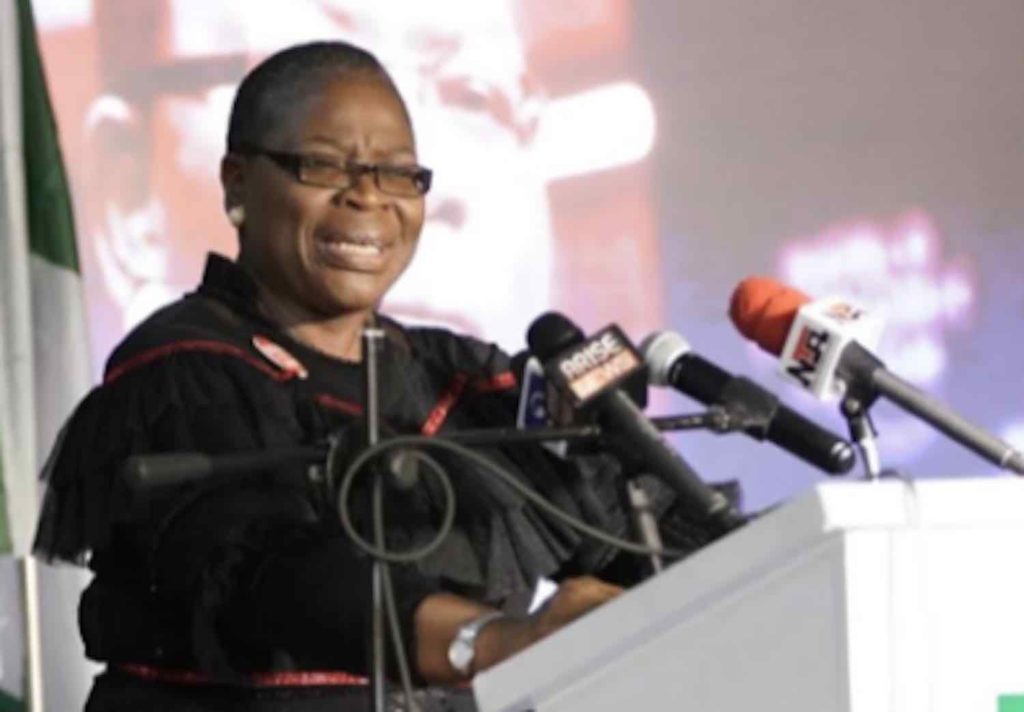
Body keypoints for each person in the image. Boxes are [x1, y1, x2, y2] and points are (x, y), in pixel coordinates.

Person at [33, 41, 721, 711]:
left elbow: (651, 538)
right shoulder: (181, 369)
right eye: (323, 165)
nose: (368, 197)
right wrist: (492, 640)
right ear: (237, 183)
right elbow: (279, 576)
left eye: (397, 173)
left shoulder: (458, 380)